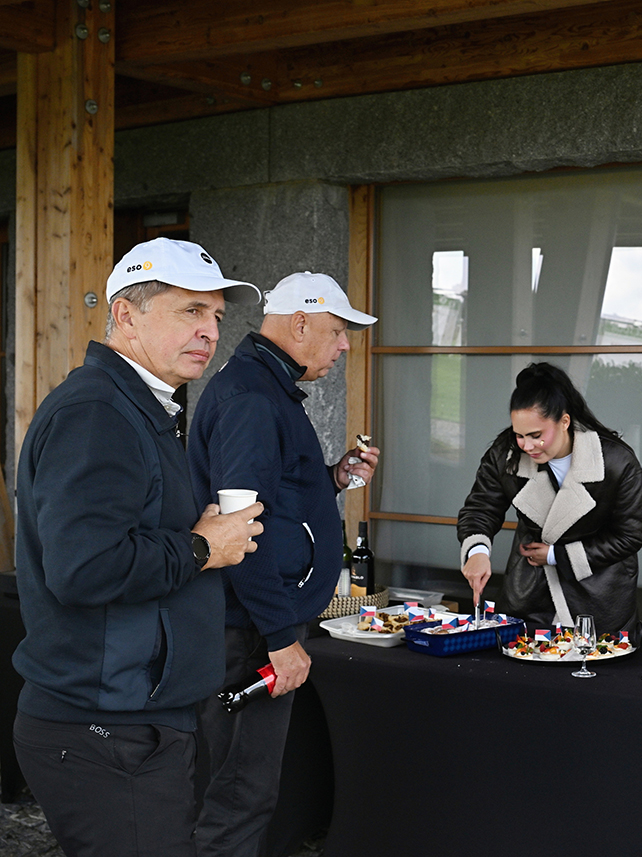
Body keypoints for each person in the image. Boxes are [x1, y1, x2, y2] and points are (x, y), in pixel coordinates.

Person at [12, 238, 265, 857]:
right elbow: (84, 568)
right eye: (191, 311)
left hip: (131, 718)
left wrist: (196, 538)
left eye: (216, 316)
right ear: (126, 315)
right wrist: (201, 548)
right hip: (104, 725)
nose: (210, 332)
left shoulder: (139, 406)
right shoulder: (98, 411)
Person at [187, 270, 379, 857]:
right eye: (338, 331)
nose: (344, 346)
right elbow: (239, 529)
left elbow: (271, 498)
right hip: (247, 629)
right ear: (299, 323)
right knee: (238, 797)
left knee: (242, 792)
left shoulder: (264, 386)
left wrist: (331, 479)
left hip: (251, 622)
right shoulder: (251, 397)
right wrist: (278, 635)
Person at [458, 362, 642, 633]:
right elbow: (481, 509)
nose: (527, 446)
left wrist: (557, 555)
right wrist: (477, 552)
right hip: (530, 592)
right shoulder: (506, 456)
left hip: (600, 595)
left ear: (564, 422)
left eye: (536, 435)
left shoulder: (617, 462)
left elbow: (628, 536)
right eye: (519, 435)